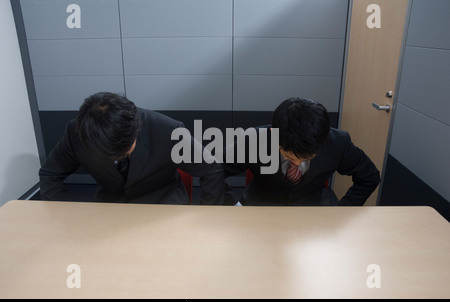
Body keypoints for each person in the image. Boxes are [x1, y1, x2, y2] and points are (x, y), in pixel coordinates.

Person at [39, 92, 225, 205]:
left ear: (138, 125)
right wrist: (66, 214)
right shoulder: (77, 132)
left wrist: (207, 216)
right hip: (110, 208)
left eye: (125, 149)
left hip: (164, 205)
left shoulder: (169, 130)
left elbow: (212, 170)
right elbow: (49, 174)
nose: (119, 157)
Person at [223, 97, 380, 206]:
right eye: (288, 156)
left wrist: (343, 210)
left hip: (313, 211)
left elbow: (369, 176)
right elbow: (215, 170)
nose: (297, 163)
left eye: (307, 158)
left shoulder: (338, 142)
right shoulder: (254, 140)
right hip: (259, 208)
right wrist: (232, 204)